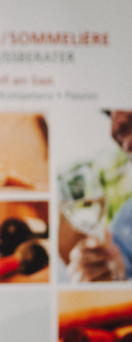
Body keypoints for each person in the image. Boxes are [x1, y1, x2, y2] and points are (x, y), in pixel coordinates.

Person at [61, 110, 132, 282]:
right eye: (108, 112)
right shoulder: (124, 224)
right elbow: (119, 270)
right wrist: (108, 277)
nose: (114, 129)